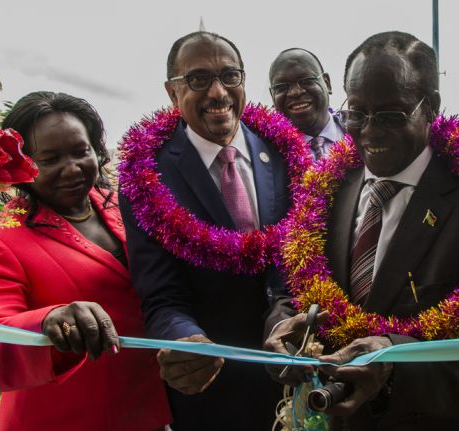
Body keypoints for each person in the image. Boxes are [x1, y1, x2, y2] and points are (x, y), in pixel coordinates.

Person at [264, 31, 459, 430]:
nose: (369, 132)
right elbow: (292, 291)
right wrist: (282, 328)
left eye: (391, 115)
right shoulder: (327, 188)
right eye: (356, 113)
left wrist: (394, 371)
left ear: (432, 107)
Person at [119, 31, 289, 430]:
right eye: (198, 79)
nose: (218, 92)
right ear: (172, 92)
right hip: (212, 386)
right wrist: (184, 339)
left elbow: (305, 254)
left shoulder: (282, 151)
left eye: (230, 76)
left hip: (295, 373)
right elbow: (161, 295)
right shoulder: (147, 175)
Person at [0, 91, 171, 431]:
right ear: (23, 165)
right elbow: (1, 338)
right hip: (63, 419)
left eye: (81, 151)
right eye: (50, 159)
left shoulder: (124, 206)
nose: (72, 168)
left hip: (144, 412)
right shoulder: (7, 238)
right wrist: (49, 321)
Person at [269, 48, 344, 160]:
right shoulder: (268, 154)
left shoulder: (360, 133)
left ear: (327, 83)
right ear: (272, 96)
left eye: (306, 81)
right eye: (282, 87)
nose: (295, 92)